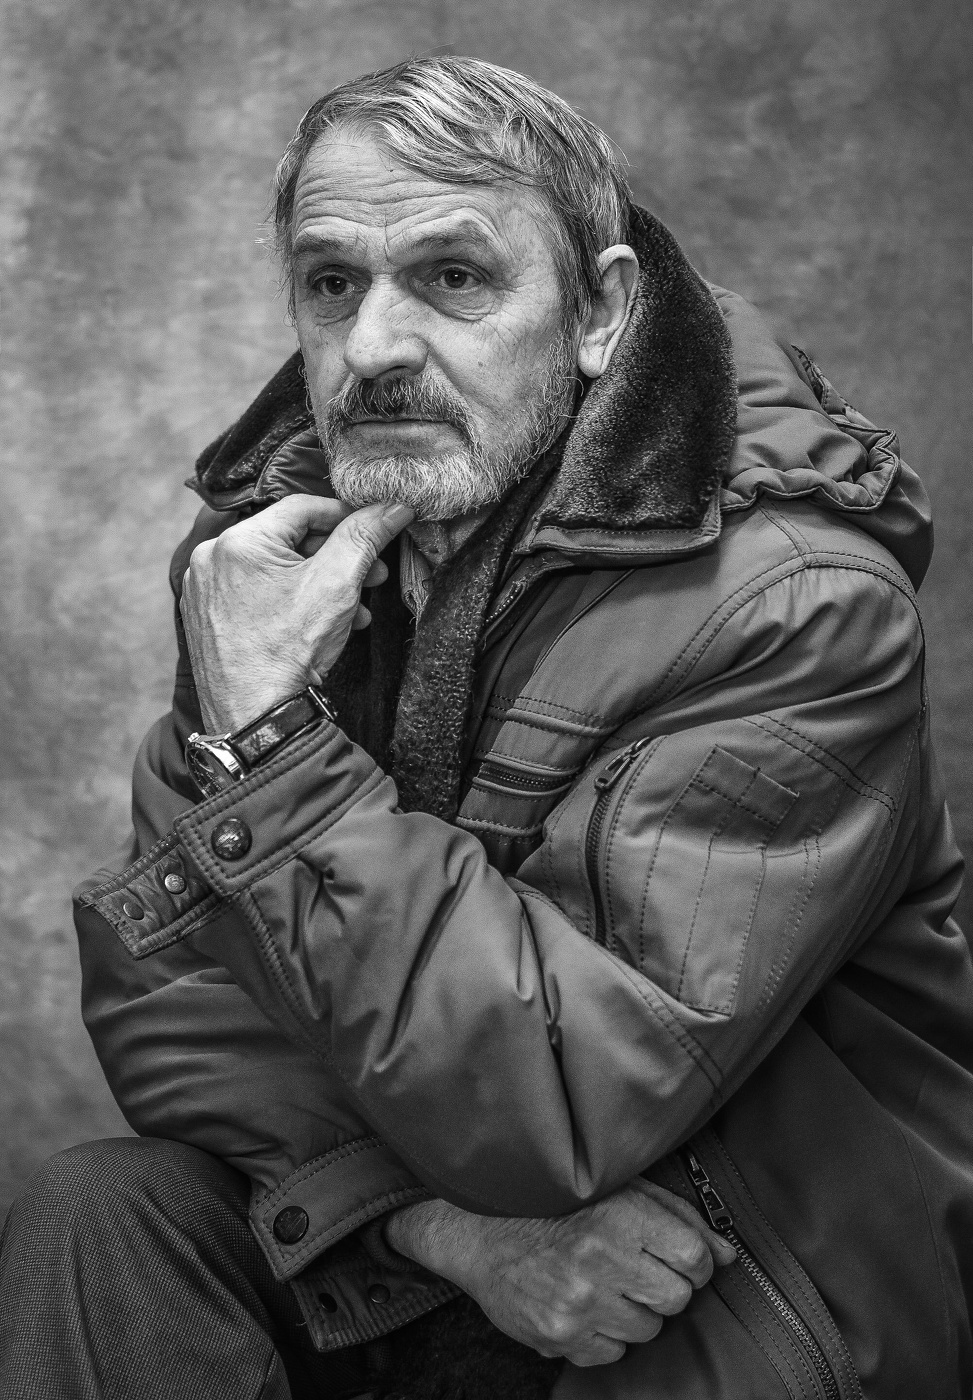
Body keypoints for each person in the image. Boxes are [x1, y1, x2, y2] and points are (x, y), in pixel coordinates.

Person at [1, 53, 971, 1400]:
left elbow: (564, 1098)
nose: (374, 349)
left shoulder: (795, 605)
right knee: (102, 1216)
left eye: (453, 277)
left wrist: (269, 752)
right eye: (332, 284)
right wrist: (442, 1232)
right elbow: (175, 997)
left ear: (598, 311)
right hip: (434, 1257)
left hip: (712, 1284)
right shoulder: (273, 569)